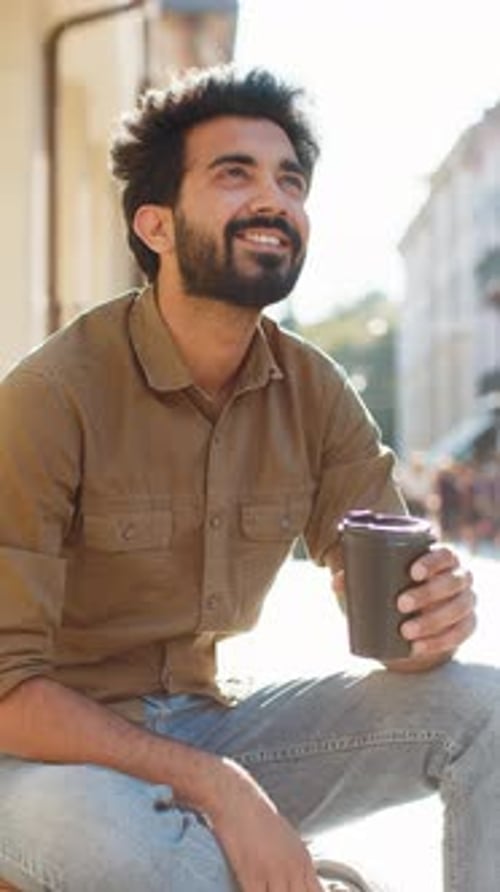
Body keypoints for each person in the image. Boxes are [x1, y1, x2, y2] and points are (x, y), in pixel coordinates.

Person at [0, 65, 495, 892]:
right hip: (41, 758)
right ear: (155, 225)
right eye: (236, 174)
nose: (275, 199)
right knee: (107, 838)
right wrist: (220, 791)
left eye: (290, 181)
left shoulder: (315, 392)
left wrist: (432, 622)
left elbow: (398, 638)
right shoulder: (48, 399)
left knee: (486, 709)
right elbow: (7, 691)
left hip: (206, 725)